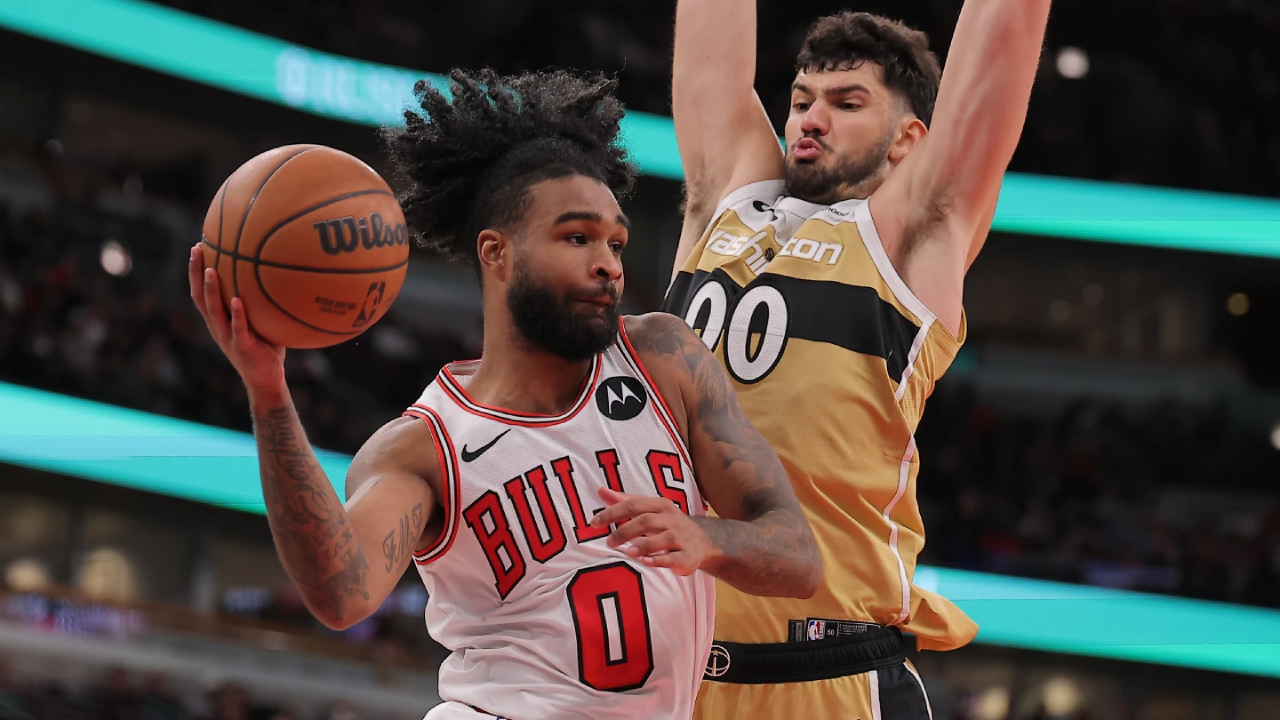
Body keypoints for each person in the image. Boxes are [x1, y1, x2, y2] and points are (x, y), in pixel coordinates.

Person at [188, 68, 821, 720]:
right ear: (497, 253)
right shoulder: (424, 446)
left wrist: (707, 537)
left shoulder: (664, 359)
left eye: (616, 241)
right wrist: (269, 394)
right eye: (576, 238)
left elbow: (798, 557)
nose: (608, 262)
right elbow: (342, 593)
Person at [661, 1, 1051, 718]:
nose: (811, 117)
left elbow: (1004, 36)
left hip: (828, 679)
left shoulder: (911, 231)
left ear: (909, 138)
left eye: (847, 103)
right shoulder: (729, 199)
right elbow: (711, 48)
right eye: (802, 100)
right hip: (672, 678)